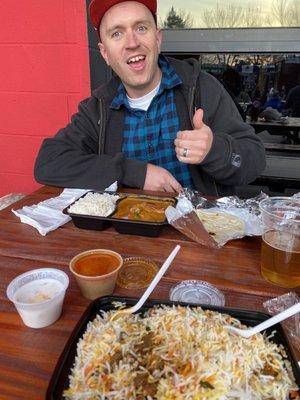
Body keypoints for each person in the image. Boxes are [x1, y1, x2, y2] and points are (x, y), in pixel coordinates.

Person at [34, 0, 266, 196]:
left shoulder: (202, 87)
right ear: (105, 53)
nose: (132, 43)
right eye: (117, 33)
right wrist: (133, 172)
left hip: (202, 234)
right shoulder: (98, 108)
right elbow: (48, 164)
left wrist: (214, 150)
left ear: (158, 38)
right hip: (127, 236)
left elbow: (254, 160)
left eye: (141, 28)